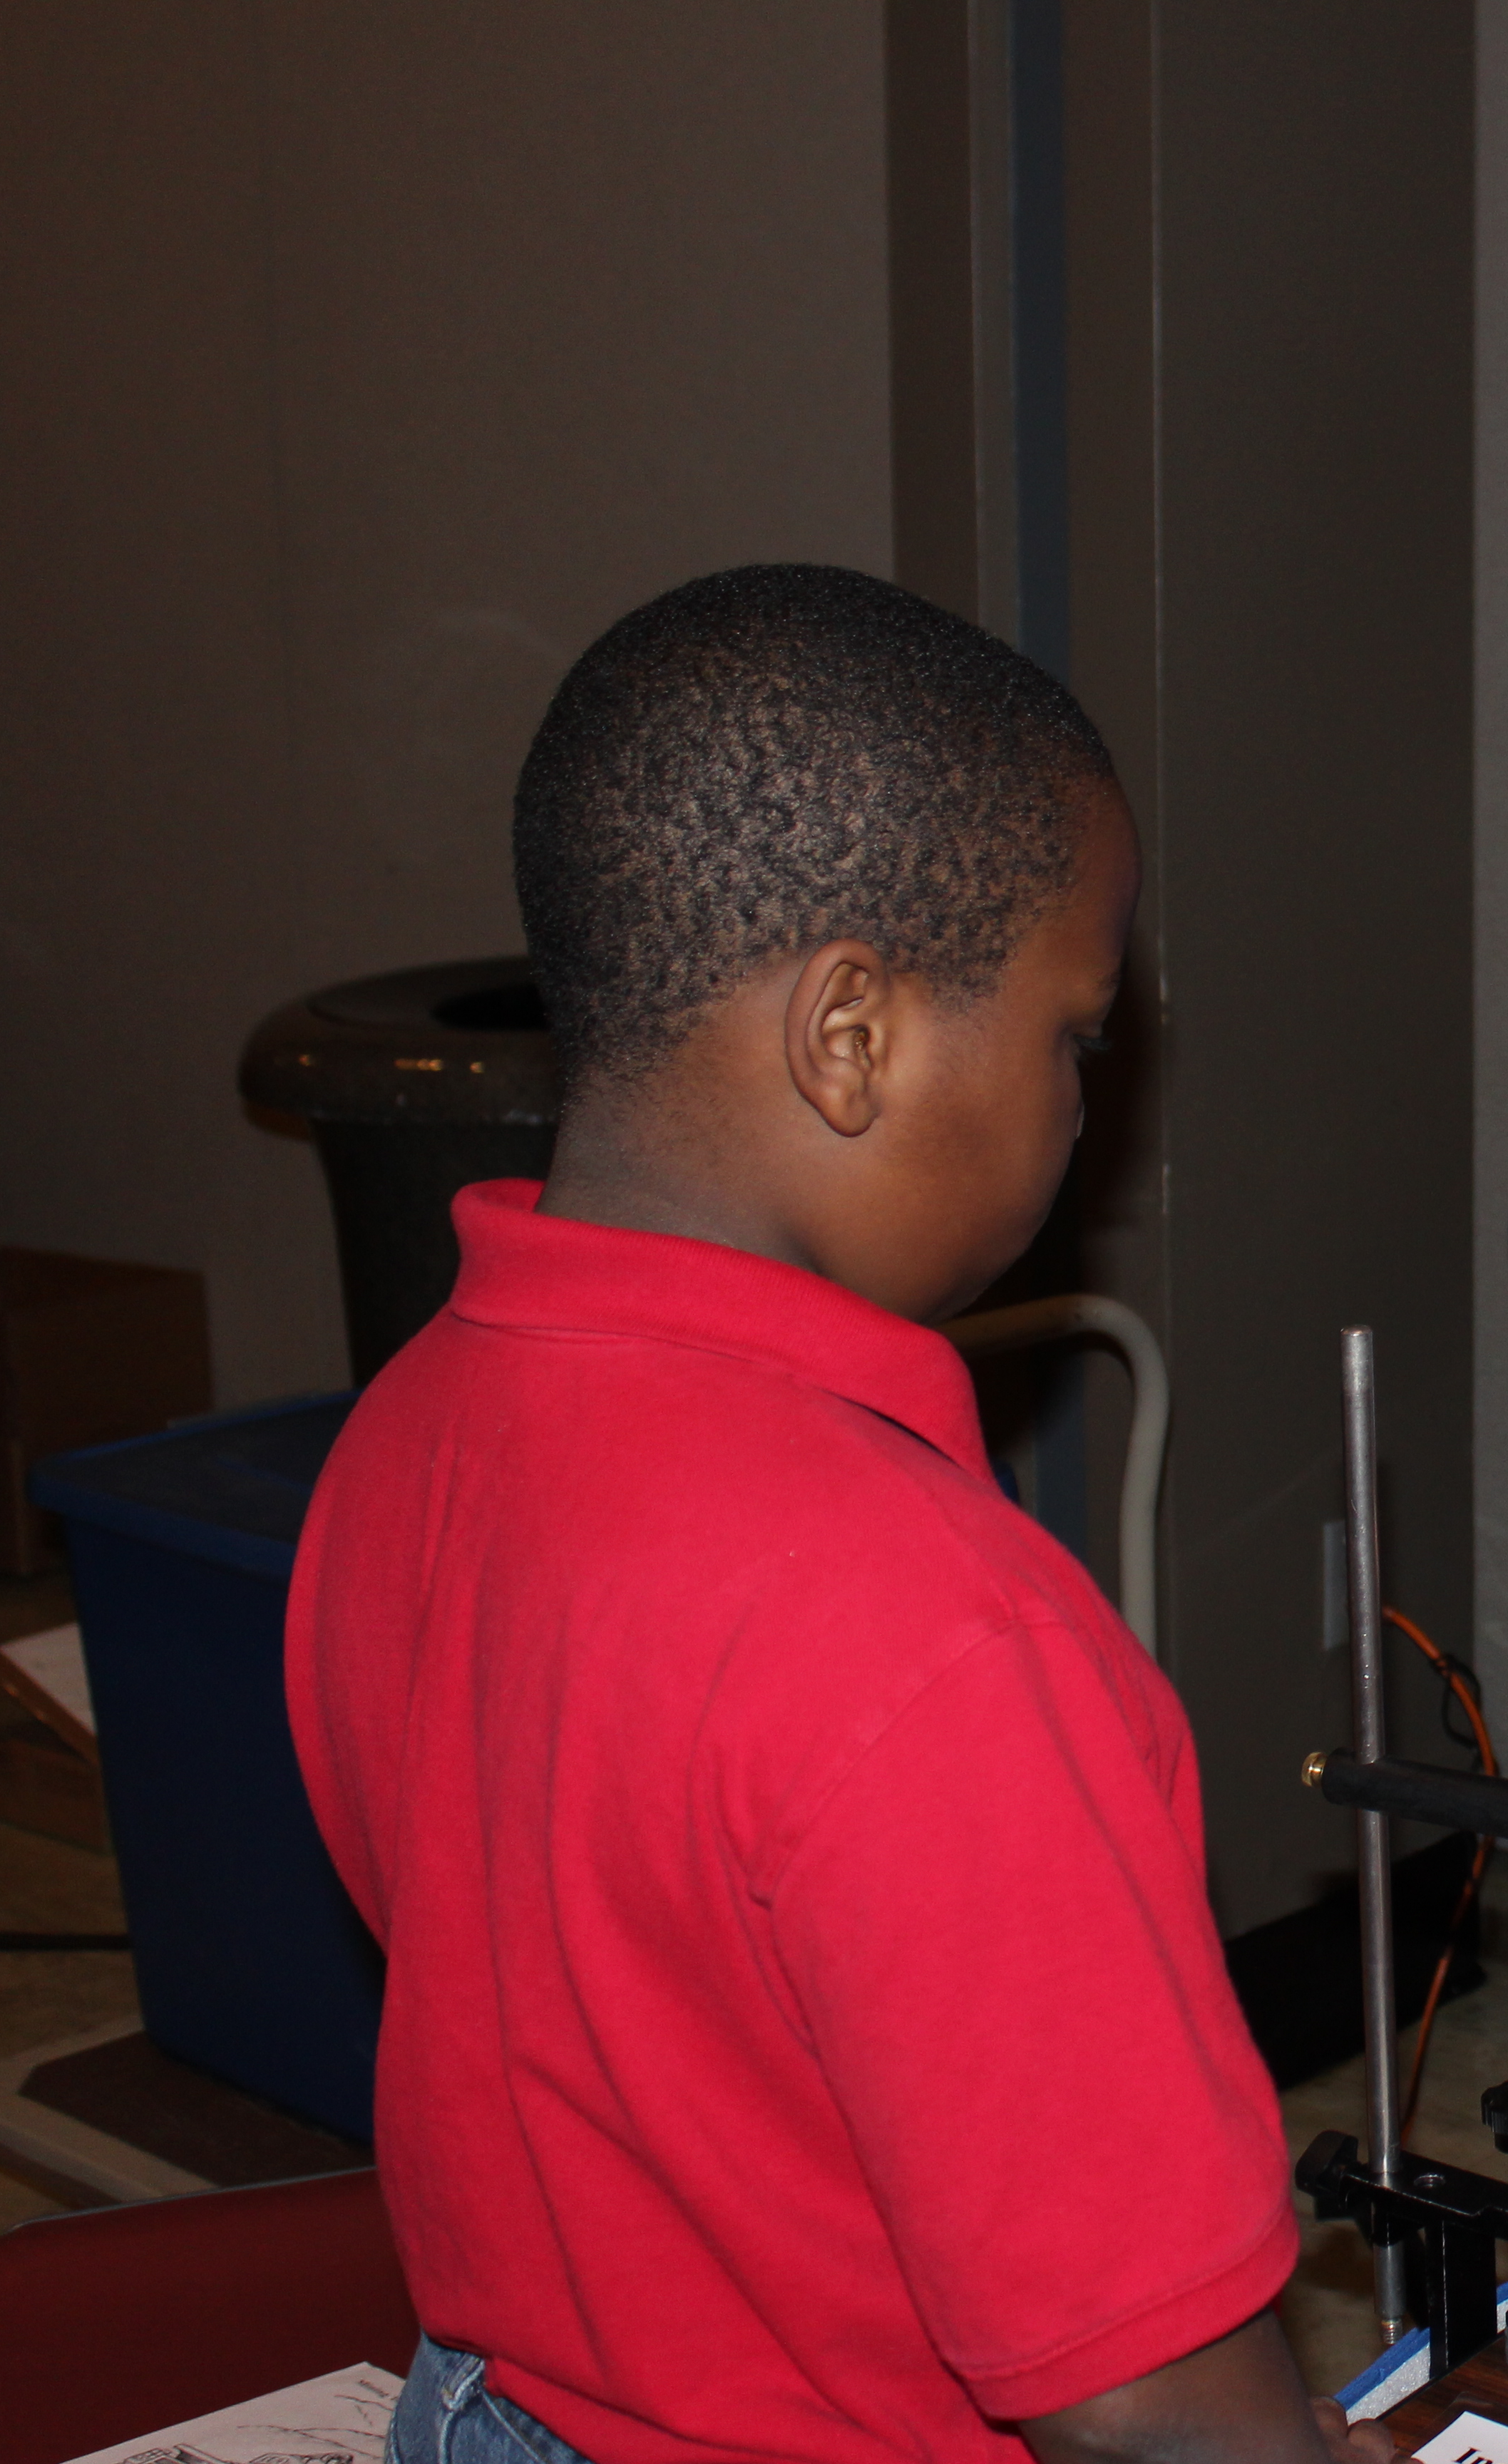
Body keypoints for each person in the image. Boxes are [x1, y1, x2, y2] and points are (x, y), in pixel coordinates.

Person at [287, 567, 1393, 2464]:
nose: (1077, 1110)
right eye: (1072, 1034)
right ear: (853, 1038)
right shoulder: (935, 1633)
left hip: (499, 2405)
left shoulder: (407, 1428)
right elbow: (1147, 2404)